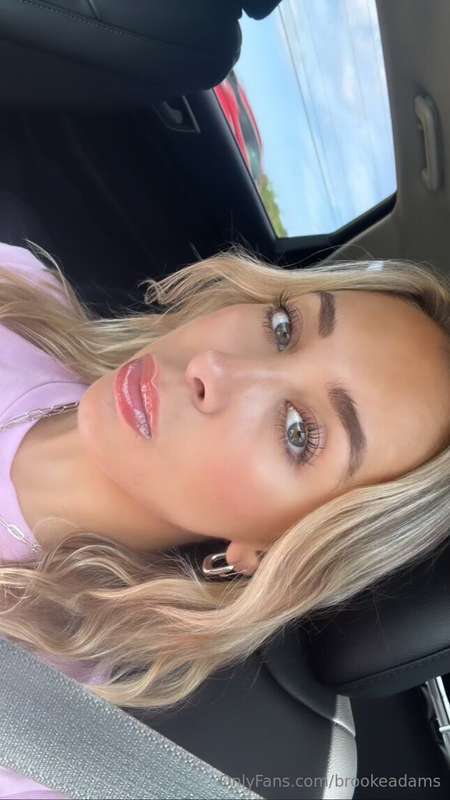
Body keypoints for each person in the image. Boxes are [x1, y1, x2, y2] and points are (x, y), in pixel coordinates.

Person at [0, 235, 449, 798]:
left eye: (298, 432)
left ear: (272, 548)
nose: (213, 367)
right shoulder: (19, 288)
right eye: (283, 328)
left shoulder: (40, 732)